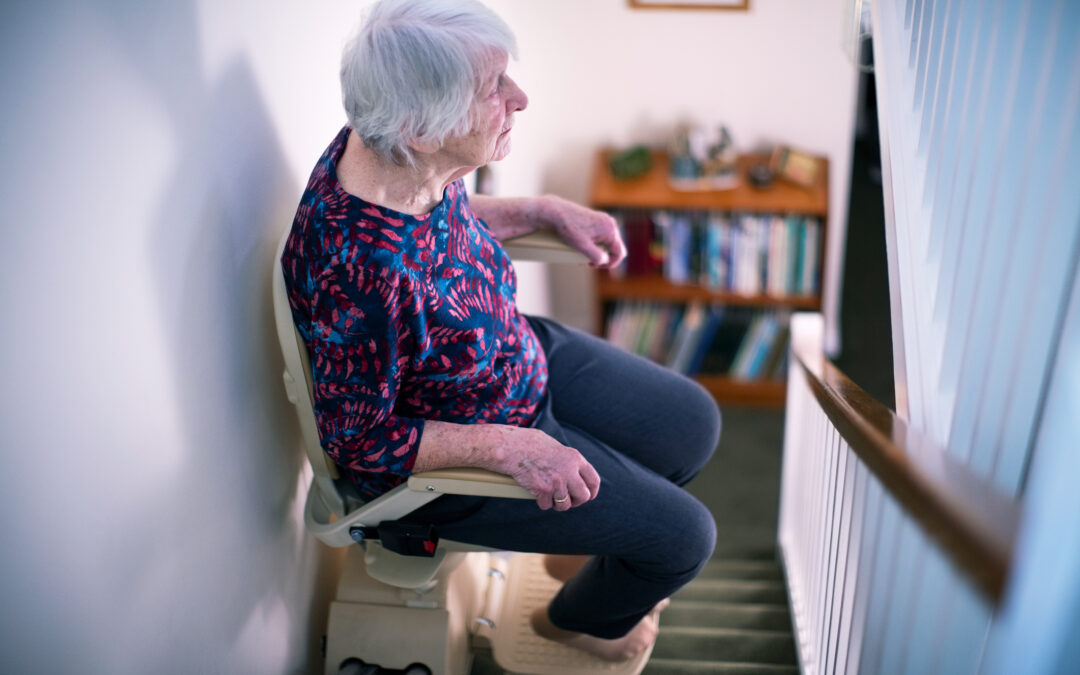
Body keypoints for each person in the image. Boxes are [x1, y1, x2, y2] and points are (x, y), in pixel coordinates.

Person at [282, 0, 721, 662]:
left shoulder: (386, 149)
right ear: (422, 130)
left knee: (692, 424)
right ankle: (574, 622)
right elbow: (357, 437)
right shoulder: (361, 273)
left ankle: (591, 554)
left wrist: (538, 211)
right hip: (461, 454)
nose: (519, 96)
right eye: (493, 88)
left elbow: (437, 223)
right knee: (684, 539)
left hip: (508, 354)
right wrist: (510, 449)